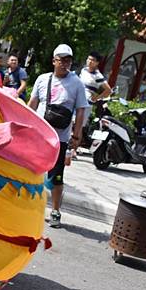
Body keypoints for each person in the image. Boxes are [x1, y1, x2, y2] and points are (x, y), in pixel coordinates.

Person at [28, 44, 88, 228]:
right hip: (39, 134)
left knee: (56, 176)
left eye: (68, 60)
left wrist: (76, 137)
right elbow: (32, 103)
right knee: (31, 170)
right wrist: (23, 126)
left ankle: (55, 210)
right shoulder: (42, 79)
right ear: (54, 60)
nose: (64, 64)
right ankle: (27, 206)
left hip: (59, 139)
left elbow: (80, 111)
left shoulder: (76, 83)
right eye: (61, 60)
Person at [78, 51, 111, 150]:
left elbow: (108, 90)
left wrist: (97, 97)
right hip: (76, 99)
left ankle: (74, 149)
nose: (90, 61)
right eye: (88, 59)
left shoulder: (98, 76)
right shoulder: (83, 70)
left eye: (92, 60)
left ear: (97, 63)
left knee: (79, 126)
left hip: (86, 103)